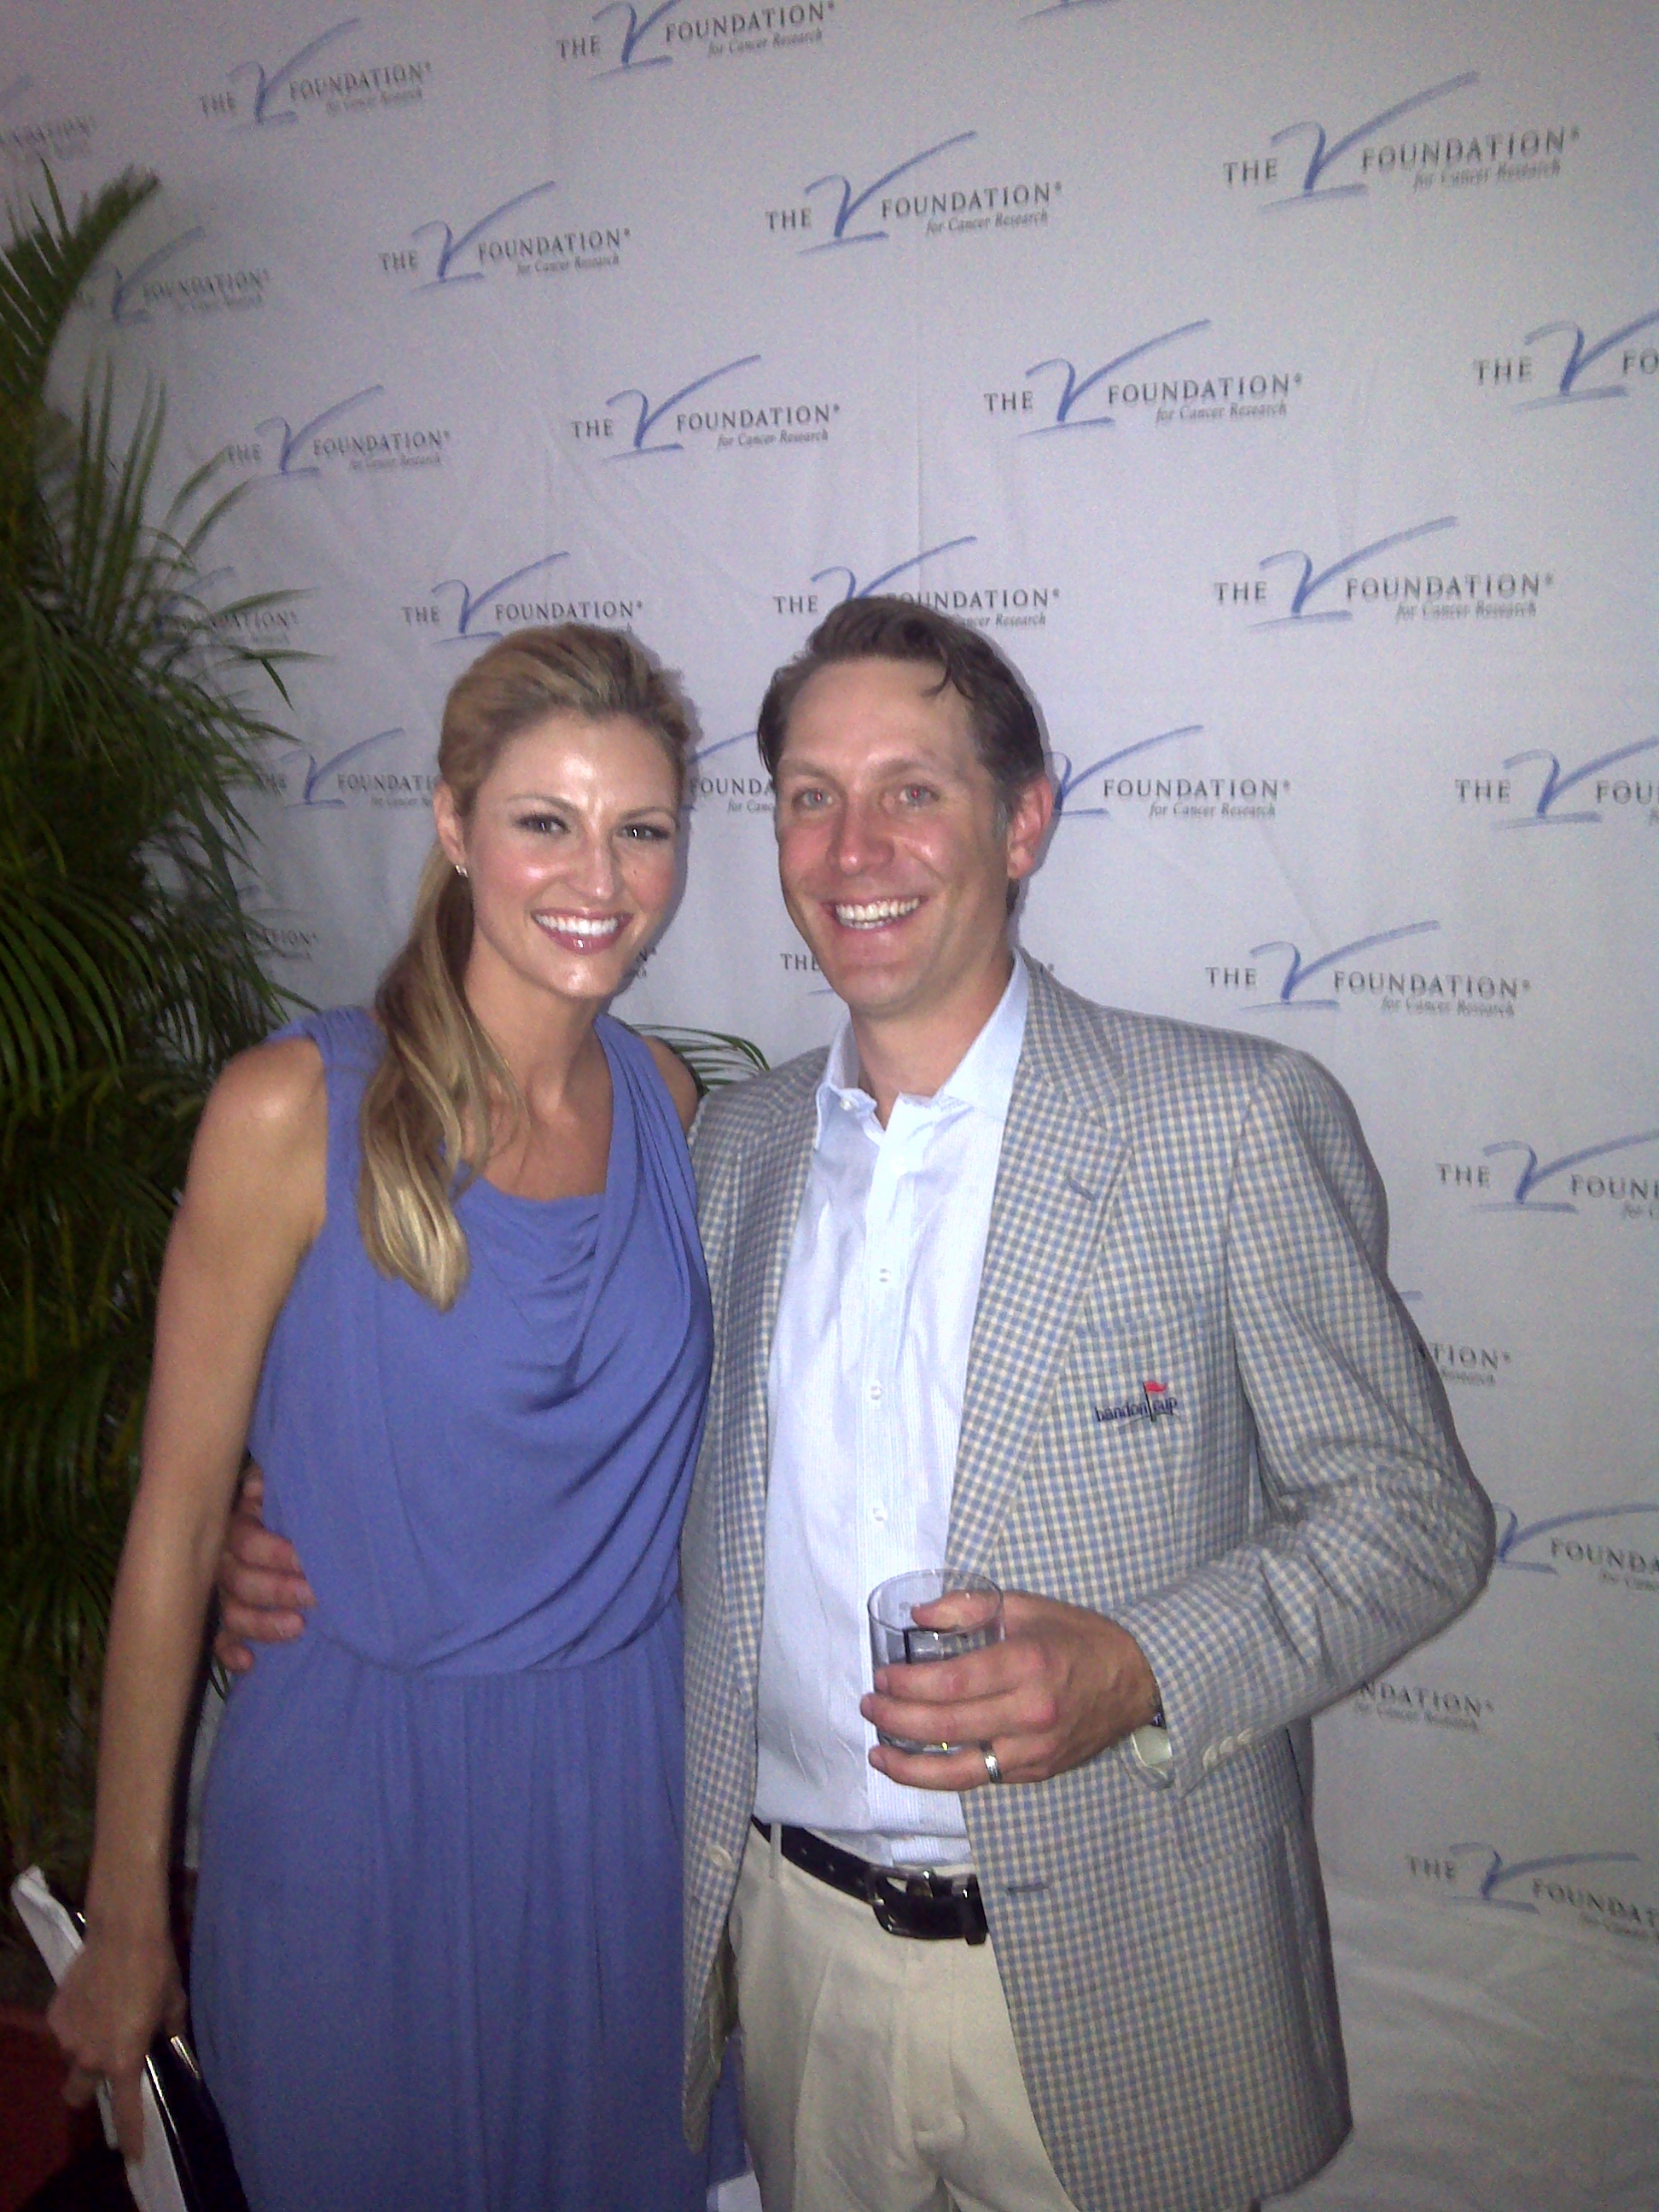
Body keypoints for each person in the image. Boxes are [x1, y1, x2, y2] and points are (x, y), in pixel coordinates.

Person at [221, 600, 1496, 2212]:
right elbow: (567, 1442)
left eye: (913, 791)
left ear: (1022, 823)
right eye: (810, 797)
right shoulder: (725, 1150)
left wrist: (1138, 1669)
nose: (853, 847)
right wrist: (286, 1531)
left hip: (1118, 1984)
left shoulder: (1224, 1126)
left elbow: (1415, 1517)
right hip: (796, 1972)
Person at [49, 625, 719, 2212]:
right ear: (454, 825)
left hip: (620, 1799)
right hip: (361, 1802)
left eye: (641, 829)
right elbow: (176, 1525)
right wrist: (129, 1913)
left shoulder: (671, 1101)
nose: (600, 878)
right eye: (546, 821)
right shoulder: (294, 1109)